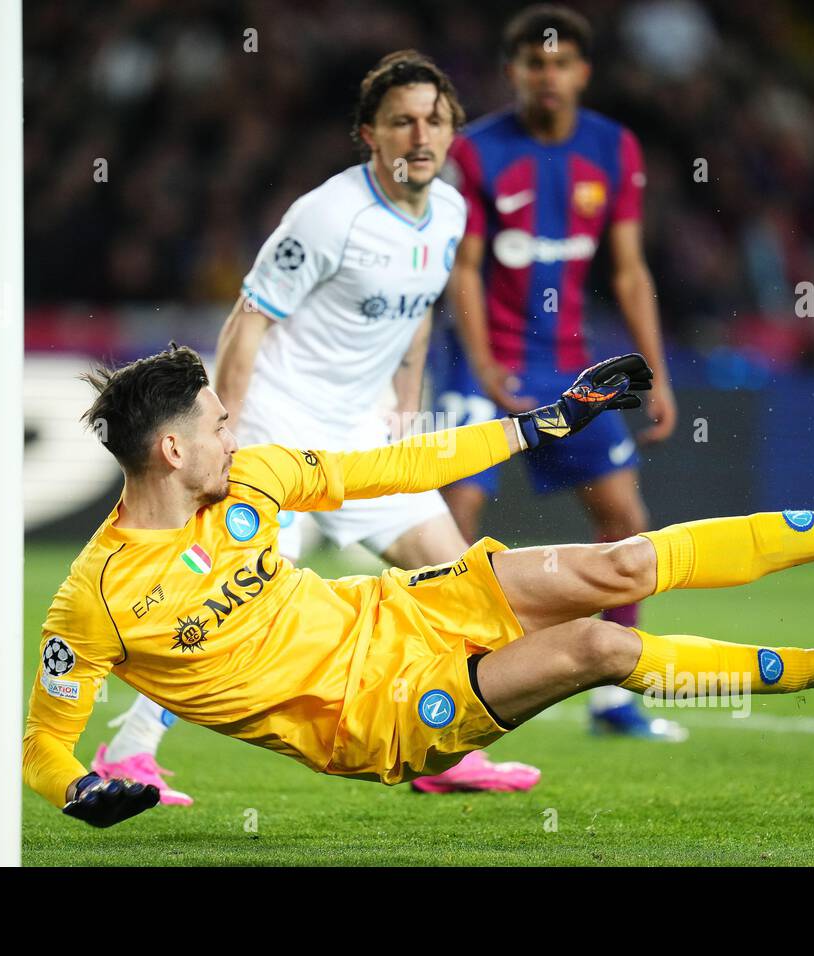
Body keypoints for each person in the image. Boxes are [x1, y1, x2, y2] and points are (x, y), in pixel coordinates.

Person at [23, 343, 814, 829]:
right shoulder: (98, 597)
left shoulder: (254, 479)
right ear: (170, 447)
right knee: (599, 647)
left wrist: (541, 421)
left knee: (620, 564)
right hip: (383, 715)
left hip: (409, 607)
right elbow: (44, 743)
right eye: (220, 420)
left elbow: (396, 467)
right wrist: (80, 790)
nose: (236, 431)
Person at [92, 50, 540, 802]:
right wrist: (223, 431)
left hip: (358, 435)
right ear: (370, 134)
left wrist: (403, 402)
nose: (420, 134)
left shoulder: (454, 212)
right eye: (402, 121)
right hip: (276, 428)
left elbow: (417, 317)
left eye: (434, 119)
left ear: (453, 129)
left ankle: (446, 749)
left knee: (463, 582)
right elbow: (248, 319)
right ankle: (126, 754)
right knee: (232, 603)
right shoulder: (329, 214)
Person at [439, 4, 681, 738]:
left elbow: (631, 271)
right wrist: (481, 364)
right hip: (480, 363)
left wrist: (657, 375)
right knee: (454, 523)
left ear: (583, 72)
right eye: (534, 64)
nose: (548, 76)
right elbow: (466, 269)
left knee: (625, 524)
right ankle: (442, 683)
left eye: (561, 63)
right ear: (513, 71)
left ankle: (611, 696)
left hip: (568, 365)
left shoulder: (614, 149)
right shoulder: (475, 153)